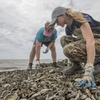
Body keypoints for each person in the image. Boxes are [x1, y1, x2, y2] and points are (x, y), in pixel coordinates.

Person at [50, 6, 100, 88]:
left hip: (96, 41)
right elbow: (73, 42)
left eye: (56, 20)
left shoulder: (80, 18)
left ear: (62, 15)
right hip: (89, 42)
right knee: (64, 40)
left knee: (68, 49)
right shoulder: (68, 28)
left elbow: (90, 41)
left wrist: (89, 69)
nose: (56, 23)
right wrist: (71, 59)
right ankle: (76, 65)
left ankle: (97, 63)